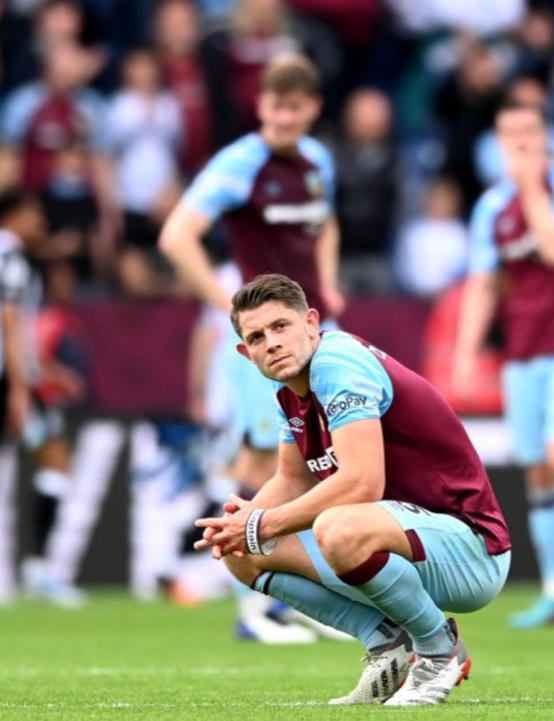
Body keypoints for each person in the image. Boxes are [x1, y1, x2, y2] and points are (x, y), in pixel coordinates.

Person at [193, 273, 511, 706]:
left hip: (471, 551)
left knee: (338, 526)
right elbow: (292, 478)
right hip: (400, 540)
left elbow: (363, 483)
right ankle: (388, 644)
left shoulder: (337, 365)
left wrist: (260, 524)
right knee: (242, 552)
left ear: (310, 322)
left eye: (280, 326)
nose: (271, 343)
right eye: (257, 337)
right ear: (245, 353)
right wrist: (239, 527)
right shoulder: (286, 386)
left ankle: (439, 650)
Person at [158, 53, 344, 641]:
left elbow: (326, 222)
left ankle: (290, 599)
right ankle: (255, 607)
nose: (283, 118)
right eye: (274, 106)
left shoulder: (318, 163)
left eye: (294, 108)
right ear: (260, 105)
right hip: (270, 346)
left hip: (317, 333)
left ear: (312, 109)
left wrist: (330, 279)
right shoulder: (240, 164)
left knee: (317, 464)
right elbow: (176, 236)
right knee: (268, 464)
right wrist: (230, 309)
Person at [453, 99, 554, 629]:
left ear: (546, 136)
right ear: (497, 143)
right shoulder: (491, 208)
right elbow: (483, 282)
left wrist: (532, 187)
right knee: (540, 472)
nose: (521, 143)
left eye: (530, 132)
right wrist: (464, 352)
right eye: (510, 134)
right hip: (523, 352)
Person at [0, 190, 83, 606]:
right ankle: (40, 569)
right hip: (9, 377)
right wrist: (20, 389)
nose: (39, 223)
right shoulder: (13, 262)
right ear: (12, 216)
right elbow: (10, 322)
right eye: (34, 213)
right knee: (56, 458)